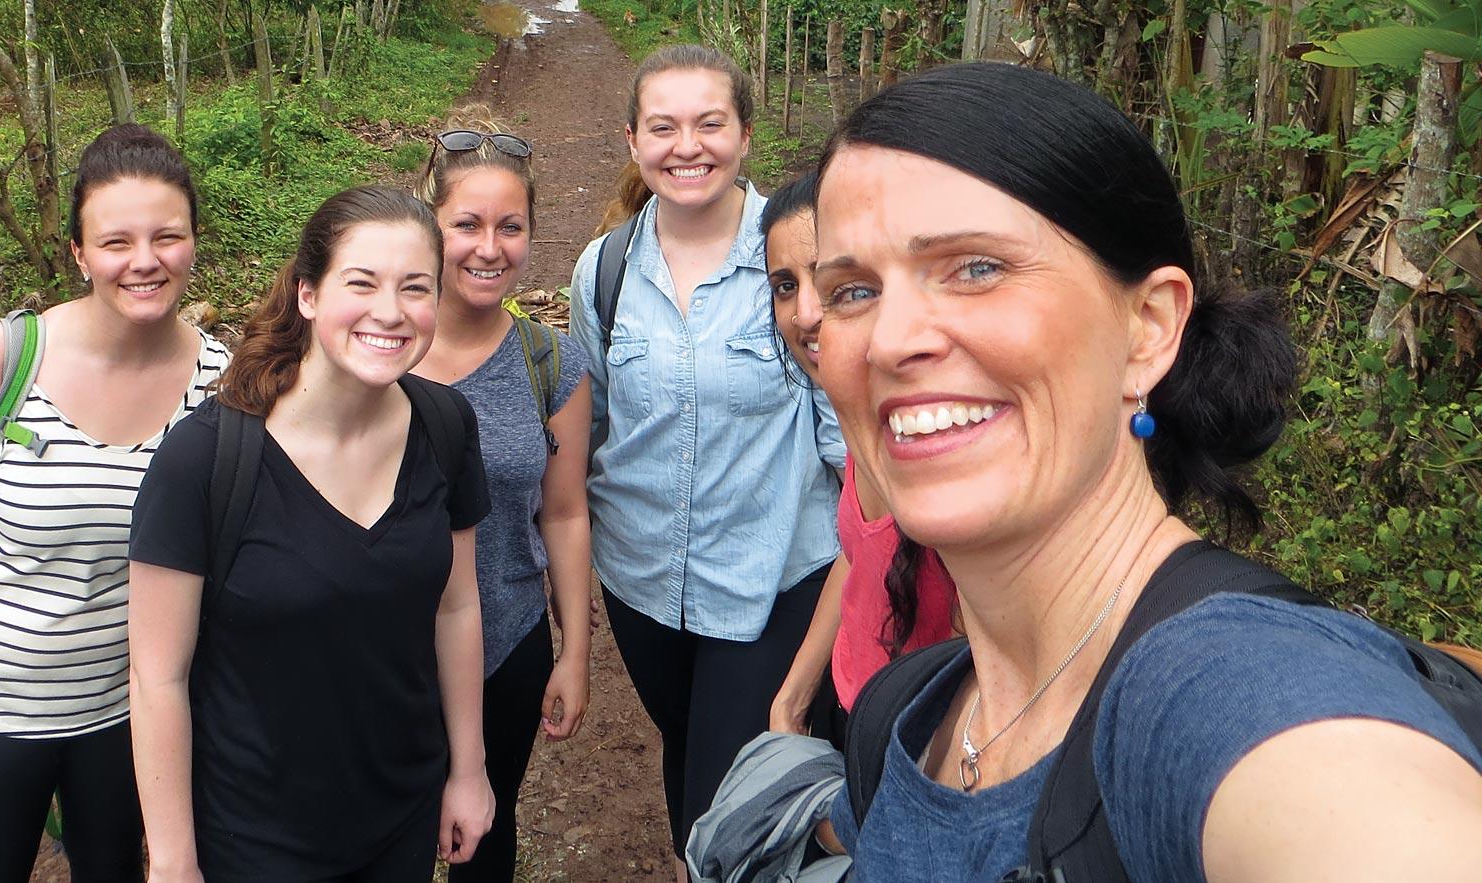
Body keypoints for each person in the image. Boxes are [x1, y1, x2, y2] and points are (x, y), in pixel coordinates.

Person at [810, 62, 1482, 880]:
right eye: (850, 291)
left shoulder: (1217, 688)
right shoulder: (908, 712)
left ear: (1149, 327)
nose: (887, 340)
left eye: (976, 267)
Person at [0, 123, 230, 882]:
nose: (144, 261)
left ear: (194, 241)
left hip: (130, 711)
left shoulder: (224, 387)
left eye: (167, 236)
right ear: (78, 252)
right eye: (116, 241)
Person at [128, 185, 496, 883]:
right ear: (308, 294)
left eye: (416, 287)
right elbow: (157, 674)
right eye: (362, 283)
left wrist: (468, 769)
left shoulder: (446, 427)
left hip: (399, 814)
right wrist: (173, 859)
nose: (390, 311)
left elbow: (456, 606)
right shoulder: (203, 461)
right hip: (253, 834)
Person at [568, 44, 847, 880]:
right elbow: (599, 426)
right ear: (632, 141)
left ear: (745, 135)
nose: (686, 146)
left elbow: (852, 447)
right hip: (642, 579)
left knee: (733, 806)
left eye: (708, 123)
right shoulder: (605, 269)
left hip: (769, 583)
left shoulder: (796, 264)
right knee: (689, 752)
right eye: (663, 127)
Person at [410, 106, 595, 882]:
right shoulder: (378, 346)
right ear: (430, 225)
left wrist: (576, 650)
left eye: (510, 227)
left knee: (487, 829)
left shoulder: (551, 363)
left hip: (507, 637)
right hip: (382, 650)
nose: (490, 249)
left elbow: (565, 510)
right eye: (468, 225)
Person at [756, 171, 958, 744]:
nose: (806, 314)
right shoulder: (861, 417)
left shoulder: (936, 436)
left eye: (834, 283)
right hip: (854, 707)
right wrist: (796, 691)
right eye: (785, 287)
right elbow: (860, 556)